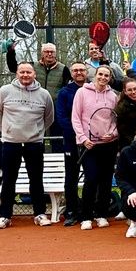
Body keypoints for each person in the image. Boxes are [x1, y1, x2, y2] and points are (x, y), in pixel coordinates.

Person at [0, 62, 55, 229]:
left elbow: (49, 118)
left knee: (36, 180)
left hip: (34, 144)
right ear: (16, 74)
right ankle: (5, 216)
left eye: (28, 72)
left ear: (34, 74)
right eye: (22, 72)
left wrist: (36, 132)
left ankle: (39, 214)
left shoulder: (44, 94)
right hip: (10, 143)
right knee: (9, 180)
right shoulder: (4, 91)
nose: (25, 75)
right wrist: (7, 131)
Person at [72, 65, 119, 230]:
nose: (103, 77)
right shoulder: (82, 92)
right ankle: (86, 216)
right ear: (95, 75)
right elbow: (76, 117)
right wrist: (83, 138)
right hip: (89, 145)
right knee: (91, 179)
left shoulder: (113, 96)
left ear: (109, 78)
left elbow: (115, 120)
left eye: (107, 75)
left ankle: (102, 215)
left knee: (106, 181)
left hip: (108, 145)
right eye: (101, 74)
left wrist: (113, 134)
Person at [55, 61, 89, 226]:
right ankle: (71, 212)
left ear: (87, 72)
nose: (79, 73)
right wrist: (79, 134)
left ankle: (90, 211)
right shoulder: (64, 92)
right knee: (71, 178)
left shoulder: (92, 90)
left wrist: (88, 136)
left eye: (82, 70)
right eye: (75, 70)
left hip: (91, 143)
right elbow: (61, 117)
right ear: (72, 73)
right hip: (71, 141)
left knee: (92, 177)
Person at [115, 78, 136, 150]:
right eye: (129, 90)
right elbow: (121, 128)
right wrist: (134, 141)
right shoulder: (121, 107)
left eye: (135, 89)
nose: (133, 92)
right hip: (129, 140)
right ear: (125, 91)